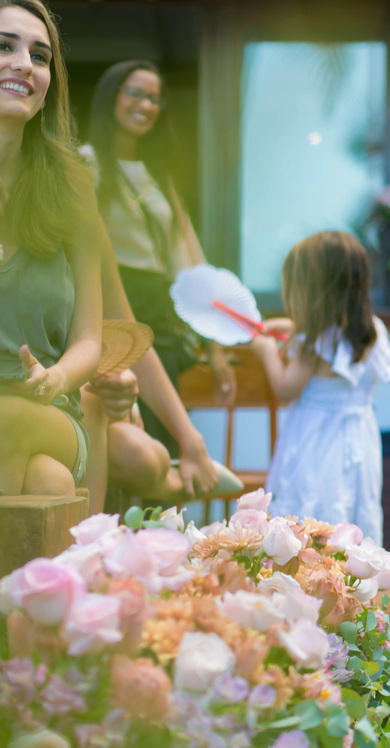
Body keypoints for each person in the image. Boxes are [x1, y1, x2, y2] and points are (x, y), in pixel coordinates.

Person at [81, 59, 235, 462]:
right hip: (109, 311)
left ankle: (156, 527)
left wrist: (215, 349)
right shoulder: (84, 163)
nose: (146, 105)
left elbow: (189, 264)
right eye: (135, 92)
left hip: (160, 315)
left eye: (155, 99)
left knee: (164, 439)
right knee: (121, 437)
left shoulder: (159, 176)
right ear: (110, 96)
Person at [0, 0, 103, 496]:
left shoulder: (72, 187)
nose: (24, 63)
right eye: (4, 47)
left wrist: (58, 378)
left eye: (39, 56)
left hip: (47, 411)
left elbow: (89, 339)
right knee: (48, 481)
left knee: (9, 419)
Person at [251, 231, 390, 544]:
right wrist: (294, 329)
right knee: (349, 514)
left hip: (314, 442)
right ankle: (351, 581)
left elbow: (285, 388)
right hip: (357, 443)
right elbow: (337, 343)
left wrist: (264, 351)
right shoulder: (372, 331)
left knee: (309, 509)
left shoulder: (311, 343)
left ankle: (305, 580)